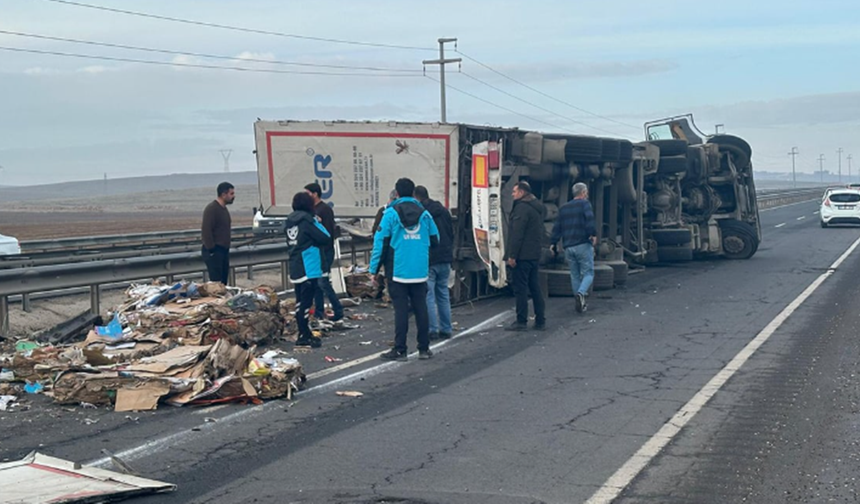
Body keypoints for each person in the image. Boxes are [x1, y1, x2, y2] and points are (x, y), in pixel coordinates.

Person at [369, 178, 439, 361]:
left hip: (398, 269)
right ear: (413, 192)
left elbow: (380, 243)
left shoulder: (390, 214)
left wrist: (373, 270)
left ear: (397, 193)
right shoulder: (425, 214)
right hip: (420, 269)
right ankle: (424, 348)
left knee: (400, 310)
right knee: (421, 307)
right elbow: (435, 239)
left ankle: (400, 350)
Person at [284, 192, 332, 348]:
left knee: (300, 301)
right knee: (306, 302)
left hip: (295, 264)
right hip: (308, 266)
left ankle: (304, 332)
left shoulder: (290, 221)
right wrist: (317, 222)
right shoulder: (307, 221)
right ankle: (304, 334)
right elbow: (325, 237)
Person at [504, 181, 546, 331]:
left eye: (514, 191)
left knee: (520, 289)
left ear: (522, 193)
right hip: (533, 254)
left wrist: (512, 256)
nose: (512, 194)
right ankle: (540, 320)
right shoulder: (537, 208)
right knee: (535, 287)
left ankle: (521, 320)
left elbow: (517, 234)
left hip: (522, 256)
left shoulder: (522, 209)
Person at [549, 182, 597, 313]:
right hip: (582, 243)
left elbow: (557, 227)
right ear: (583, 193)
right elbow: (590, 220)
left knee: (575, 275)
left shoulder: (564, 208)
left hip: (568, 247)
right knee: (588, 273)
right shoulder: (585, 204)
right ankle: (581, 294)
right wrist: (592, 234)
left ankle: (579, 302)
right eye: (586, 192)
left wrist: (553, 243)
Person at [414, 185, 454, 341]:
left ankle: (432, 329)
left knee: (429, 295)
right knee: (443, 294)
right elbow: (451, 232)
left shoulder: (422, 214)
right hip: (445, 257)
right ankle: (447, 328)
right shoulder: (443, 211)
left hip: (430, 258)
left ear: (416, 197)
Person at [304, 183, 344, 326]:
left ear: (315, 194)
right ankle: (319, 312)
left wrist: (324, 250)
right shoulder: (312, 210)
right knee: (317, 284)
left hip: (324, 251)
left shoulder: (324, 210)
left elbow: (327, 233)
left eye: (308, 193)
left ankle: (338, 310)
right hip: (316, 252)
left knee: (323, 283)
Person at [201, 182, 234, 284]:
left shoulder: (223, 209)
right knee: (216, 283)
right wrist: (212, 249)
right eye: (231, 194)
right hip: (215, 251)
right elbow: (206, 230)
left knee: (223, 282)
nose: (233, 196)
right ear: (223, 194)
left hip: (223, 250)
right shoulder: (212, 209)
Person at [371, 190, 397, 299]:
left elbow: (379, 238)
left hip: (390, 256)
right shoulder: (421, 213)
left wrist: (373, 270)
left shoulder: (385, 212)